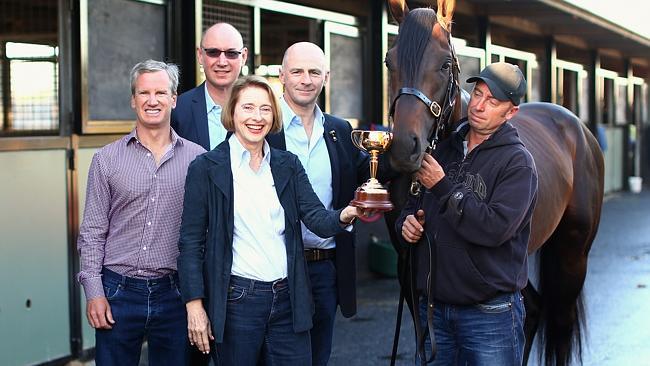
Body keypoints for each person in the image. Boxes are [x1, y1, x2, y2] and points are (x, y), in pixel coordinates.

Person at [177, 75, 366, 366]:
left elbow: (316, 217)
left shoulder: (287, 164)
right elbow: (191, 243)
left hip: (289, 300)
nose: (257, 117)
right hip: (236, 301)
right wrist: (194, 306)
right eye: (248, 108)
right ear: (233, 112)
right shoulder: (206, 167)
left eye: (265, 109)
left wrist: (348, 213)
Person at [397, 62, 538, 365]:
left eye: (492, 101)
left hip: (489, 316)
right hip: (434, 309)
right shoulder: (442, 150)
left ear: (510, 113)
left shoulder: (518, 163)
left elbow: (494, 229)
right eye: (477, 94)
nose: (478, 105)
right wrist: (406, 224)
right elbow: (413, 205)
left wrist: (443, 187)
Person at [76, 59, 205, 365]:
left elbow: (205, 232)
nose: (152, 100)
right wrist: (94, 291)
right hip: (117, 291)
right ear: (133, 100)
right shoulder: (106, 160)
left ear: (174, 99)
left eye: (161, 92)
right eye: (144, 93)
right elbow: (92, 232)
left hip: (175, 294)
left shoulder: (198, 159)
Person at [263, 41, 370, 366]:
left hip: (325, 266)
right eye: (297, 71)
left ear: (327, 76)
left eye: (314, 72)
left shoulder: (339, 130)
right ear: (282, 75)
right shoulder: (261, 126)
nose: (306, 79)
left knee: (317, 357)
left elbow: (364, 173)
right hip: (275, 269)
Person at [172, 22, 248, 150]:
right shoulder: (178, 110)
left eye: (231, 53)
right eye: (213, 52)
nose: (222, 62)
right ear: (200, 55)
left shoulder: (261, 111)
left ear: (244, 57)